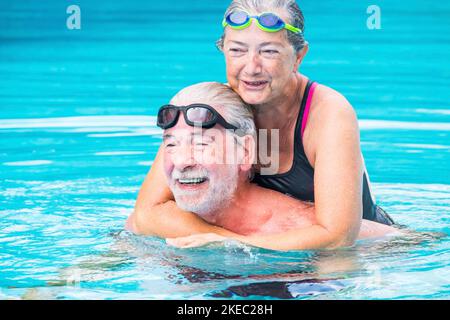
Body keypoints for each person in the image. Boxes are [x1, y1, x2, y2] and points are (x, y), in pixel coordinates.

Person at [127, 0, 396, 250]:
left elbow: (337, 237)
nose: (251, 68)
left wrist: (234, 244)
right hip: (264, 245)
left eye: (268, 51)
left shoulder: (327, 113)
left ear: (299, 56)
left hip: (366, 250)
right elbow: (146, 212)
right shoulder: (216, 109)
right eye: (237, 51)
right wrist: (223, 241)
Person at [126, 82, 399, 250]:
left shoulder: (295, 226)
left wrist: (231, 244)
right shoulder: (155, 222)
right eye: (171, 144)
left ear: (245, 152)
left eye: (201, 145)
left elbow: (395, 243)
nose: (182, 161)